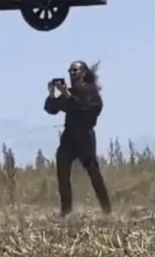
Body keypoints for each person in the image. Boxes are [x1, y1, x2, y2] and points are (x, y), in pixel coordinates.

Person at [44, 60, 112, 217]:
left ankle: (107, 209)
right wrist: (52, 94)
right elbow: (52, 109)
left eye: (75, 70)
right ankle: (66, 211)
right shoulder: (70, 92)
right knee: (62, 173)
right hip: (69, 137)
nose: (72, 74)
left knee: (93, 173)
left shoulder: (91, 92)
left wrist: (66, 94)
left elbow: (80, 107)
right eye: (70, 71)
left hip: (84, 137)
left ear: (84, 73)